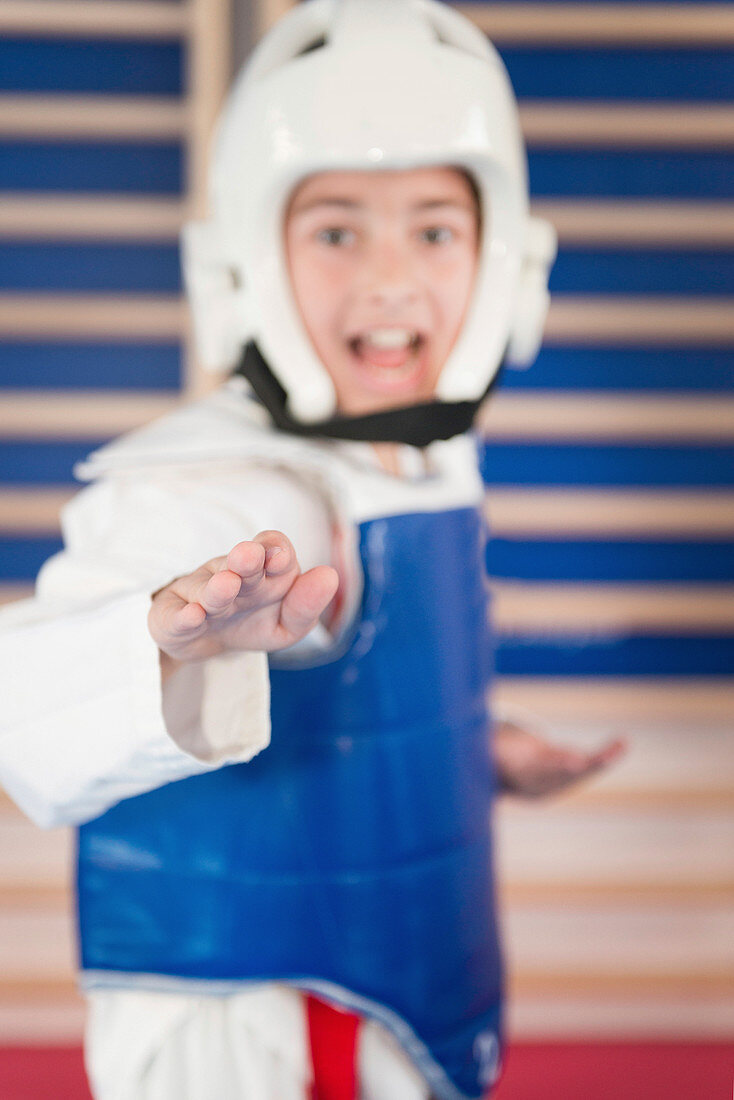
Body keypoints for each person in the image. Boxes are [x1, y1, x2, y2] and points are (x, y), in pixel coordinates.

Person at [0, 2, 624, 1097]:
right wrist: (164, 641)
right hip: (255, 1025)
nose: (387, 279)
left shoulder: (423, 462)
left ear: (502, 256)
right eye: (336, 230)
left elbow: (352, 706)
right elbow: (21, 722)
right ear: (245, 258)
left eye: (432, 229)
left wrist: (461, 748)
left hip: (407, 987)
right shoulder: (206, 485)